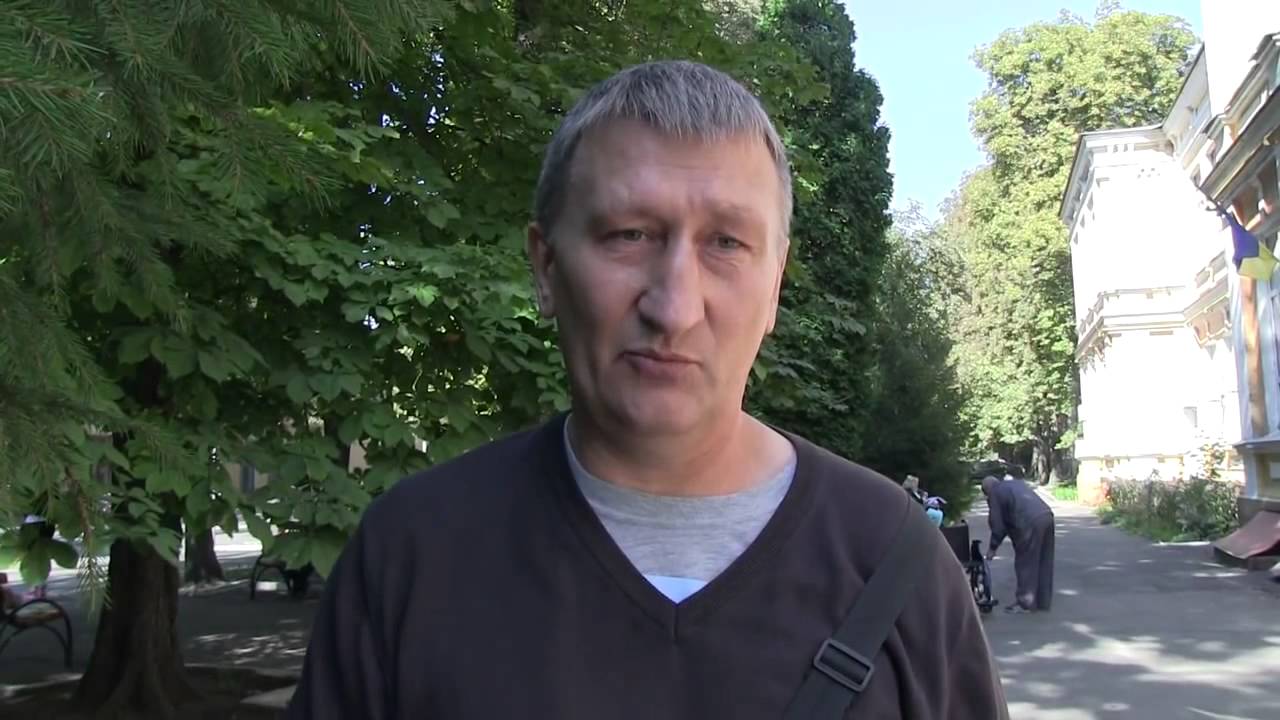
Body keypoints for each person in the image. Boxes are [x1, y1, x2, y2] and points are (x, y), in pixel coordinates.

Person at [288, 61, 1008, 719]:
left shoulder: (898, 564)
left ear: (774, 289)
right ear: (546, 268)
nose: (675, 307)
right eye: (629, 234)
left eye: (726, 243)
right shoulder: (411, 556)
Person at [981, 474, 1055, 613]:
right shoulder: (1015, 484)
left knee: (1026, 563)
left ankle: (1025, 603)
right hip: (1046, 516)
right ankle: (1043, 601)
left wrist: (992, 548)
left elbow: (998, 526)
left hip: (1029, 523)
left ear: (987, 491)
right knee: (1044, 560)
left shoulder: (995, 493)